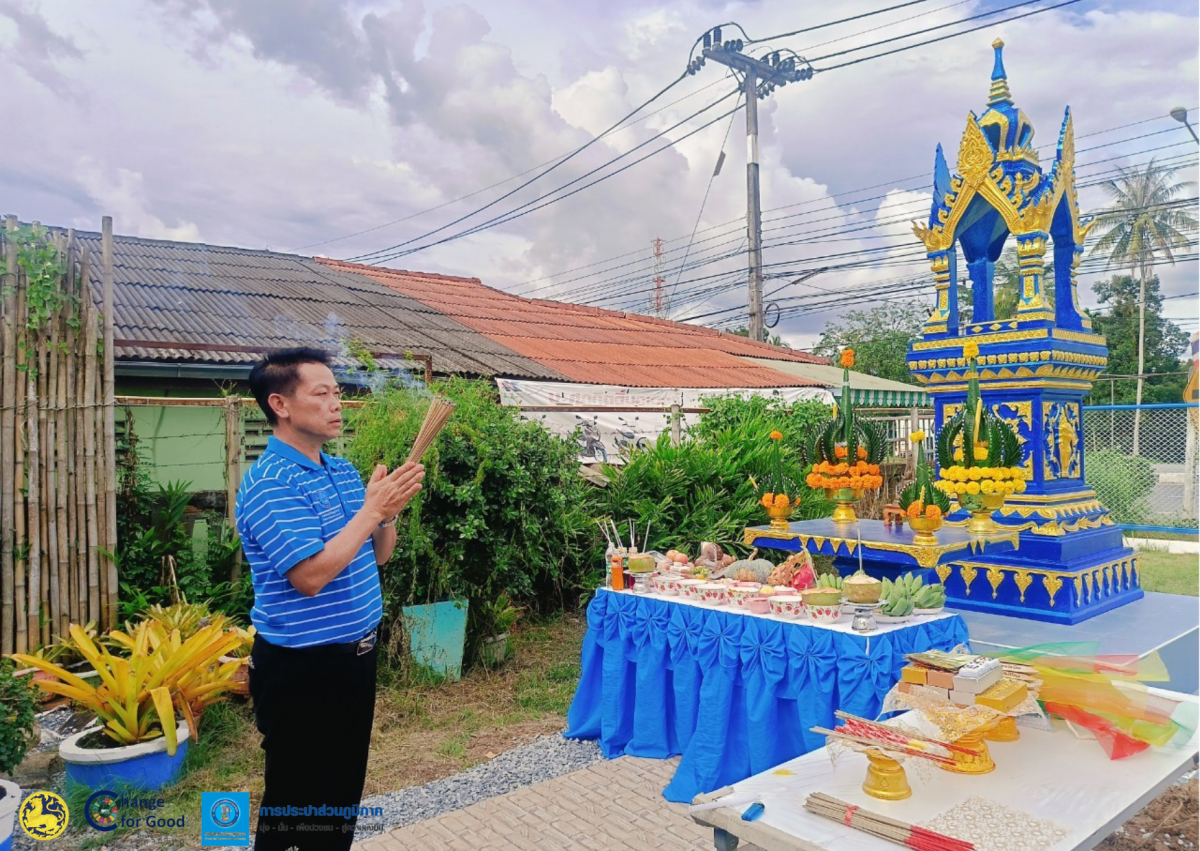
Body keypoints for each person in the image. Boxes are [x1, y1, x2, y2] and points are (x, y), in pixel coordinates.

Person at [236, 347, 424, 850]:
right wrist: (371, 512)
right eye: (322, 394)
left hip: (355, 659)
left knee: (340, 794)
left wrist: (387, 513)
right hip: (301, 667)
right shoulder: (269, 483)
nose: (337, 404)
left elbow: (379, 556)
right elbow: (311, 577)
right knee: (295, 799)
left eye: (337, 393)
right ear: (280, 403)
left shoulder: (341, 472)